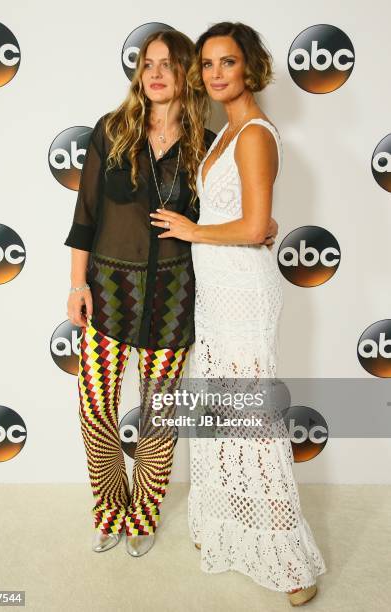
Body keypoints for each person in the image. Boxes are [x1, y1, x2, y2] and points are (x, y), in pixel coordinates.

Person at [65, 28, 279, 559]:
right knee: (96, 410)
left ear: (185, 74)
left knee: (161, 420)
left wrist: (265, 224)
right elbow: (85, 216)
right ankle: (110, 507)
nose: (155, 73)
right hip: (109, 292)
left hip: (175, 298)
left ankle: (144, 513)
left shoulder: (207, 146)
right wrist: (76, 284)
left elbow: (235, 213)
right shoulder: (111, 132)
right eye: (147, 63)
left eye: (168, 64)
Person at [150, 22, 326, 606]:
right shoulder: (225, 135)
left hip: (244, 296)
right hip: (216, 292)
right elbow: (255, 218)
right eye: (206, 64)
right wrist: (252, 227)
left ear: (249, 68)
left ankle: (291, 564)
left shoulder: (252, 134)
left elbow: (252, 229)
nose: (215, 73)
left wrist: (193, 229)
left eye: (227, 62)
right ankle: (228, 528)